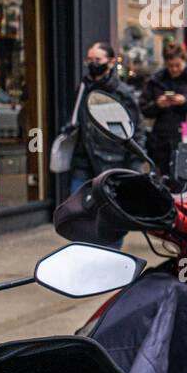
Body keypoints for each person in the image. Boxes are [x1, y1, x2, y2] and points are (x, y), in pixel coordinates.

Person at [67, 43, 144, 247]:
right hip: (84, 161)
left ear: (111, 62)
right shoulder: (83, 88)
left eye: (97, 60)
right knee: (79, 214)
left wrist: (133, 168)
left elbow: (137, 131)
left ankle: (112, 261)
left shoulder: (123, 92)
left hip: (113, 164)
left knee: (112, 218)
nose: (92, 64)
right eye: (89, 60)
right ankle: (85, 256)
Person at [139, 42, 187, 173]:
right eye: (170, 66)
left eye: (178, 65)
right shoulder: (156, 80)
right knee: (161, 181)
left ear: (184, 60)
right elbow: (143, 107)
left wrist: (186, 103)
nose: (174, 69)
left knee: (185, 181)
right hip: (160, 141)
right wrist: (158, 105)